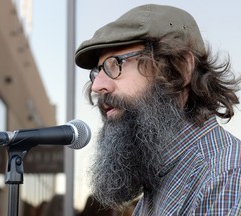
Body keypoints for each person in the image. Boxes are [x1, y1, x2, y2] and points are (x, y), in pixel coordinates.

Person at [74, 4, 241, 216]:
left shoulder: (225, 177)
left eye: (115, 64)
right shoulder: (160, 179)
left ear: (180, 69)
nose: (97, 86)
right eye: (97, 71)